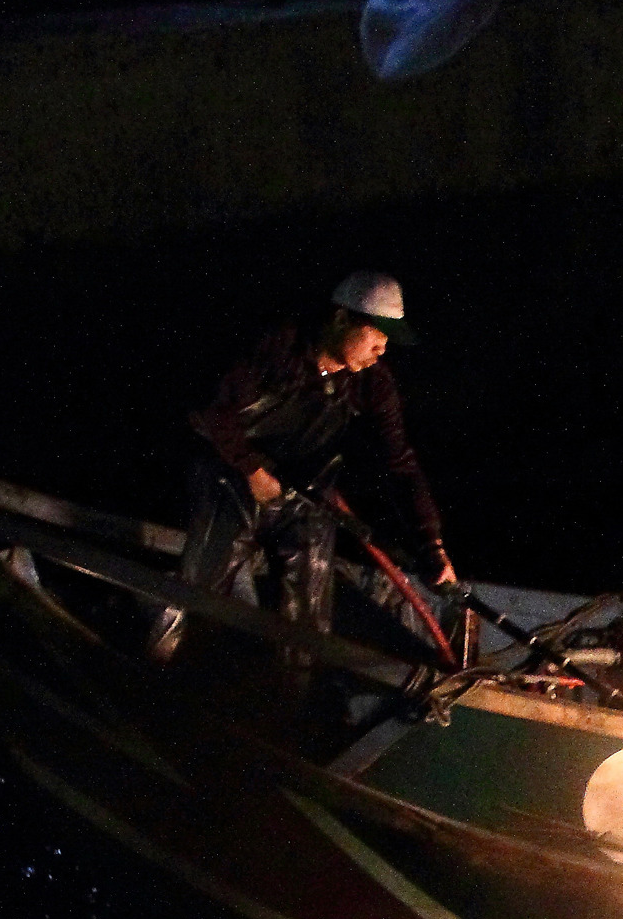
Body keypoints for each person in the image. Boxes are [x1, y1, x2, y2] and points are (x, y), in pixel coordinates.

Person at [147, 271, 455, 660]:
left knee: (309, 610)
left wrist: (432, 544)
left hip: (305, 493)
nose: (382, 348)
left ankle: (294, 688)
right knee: (203, 584)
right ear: (341, 319)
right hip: (235, 473)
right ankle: (163, 657)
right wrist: (252, 470)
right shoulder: (277, 346)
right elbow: (212, 411)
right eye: (376, 332)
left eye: (388, 339)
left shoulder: (373, 383)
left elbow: (401, 465)